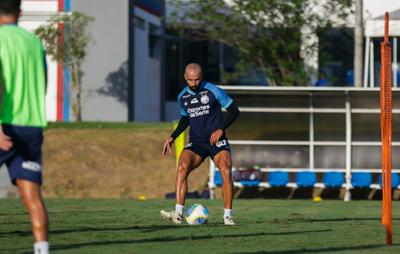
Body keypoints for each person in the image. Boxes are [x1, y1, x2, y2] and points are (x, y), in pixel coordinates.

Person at [161, 63, 240, 225]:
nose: (194, 83)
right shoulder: (182, 96)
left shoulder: (213, 90)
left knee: (225, 170)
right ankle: (178, 214)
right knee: (182, 167)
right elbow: (185, 119)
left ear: (201, 77)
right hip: (196, 142)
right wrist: (172, 137)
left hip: (216, 141)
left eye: (197, 79)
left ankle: (227, 216)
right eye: (190, 80)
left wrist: (220, 129)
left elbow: (234, 111)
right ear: (185, 77)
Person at [0, 0, 49, 253]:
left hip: (5, 123)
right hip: (32, 126)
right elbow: (43, 84)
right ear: (19, 12)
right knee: (32, 196)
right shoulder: (35, 42)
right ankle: (42, 249)